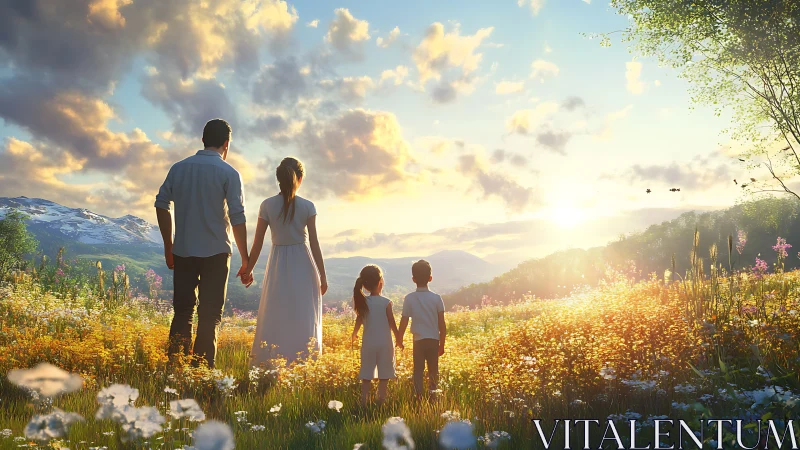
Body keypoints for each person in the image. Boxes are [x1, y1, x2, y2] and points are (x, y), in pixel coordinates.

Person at [154, 118, 249, 369]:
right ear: (227, 144)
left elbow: (161, 204)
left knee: (183, 311)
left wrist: (168, 245)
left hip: (183, 250)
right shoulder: (229, 173)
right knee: (210, 316)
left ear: (203, 139)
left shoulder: (179, 168)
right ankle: (202, 371)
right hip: (217, 252)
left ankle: (176, 367)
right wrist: (246, 259)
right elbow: (237, 217)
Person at [243, 157, 328, 366]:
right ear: (300, 178)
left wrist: (248, 269)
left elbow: (257, 242)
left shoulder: (267, 205)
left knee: (275, 314)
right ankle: (303, 364)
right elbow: (314, 243)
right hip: (304, 264)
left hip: (277, 264)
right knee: (303, 316)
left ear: (279, 179)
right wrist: (323, 276)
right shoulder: (308, 206)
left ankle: (271, 364)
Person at [351, 265, 400, 406]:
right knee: (384, 374)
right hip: (385, 343)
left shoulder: (363, 302)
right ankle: (381, 401)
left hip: (368, 343)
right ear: (380, 282)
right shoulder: (386, 302)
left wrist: (354, 333)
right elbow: (392, 322)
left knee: (366, 374)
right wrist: (398, 338)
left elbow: (359, 319)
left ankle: (364, 402)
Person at [398, 260, 447, 399]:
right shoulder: (437, 298)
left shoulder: (409, 298)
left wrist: (399, 339)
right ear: (430, 278)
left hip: (418, 341)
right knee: (433, 371)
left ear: (413, 279)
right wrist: (442, 344)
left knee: (418, 371)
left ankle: (418, 397)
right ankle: (433, 397)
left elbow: (404, 321)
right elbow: (442, 324)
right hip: (433, 340)